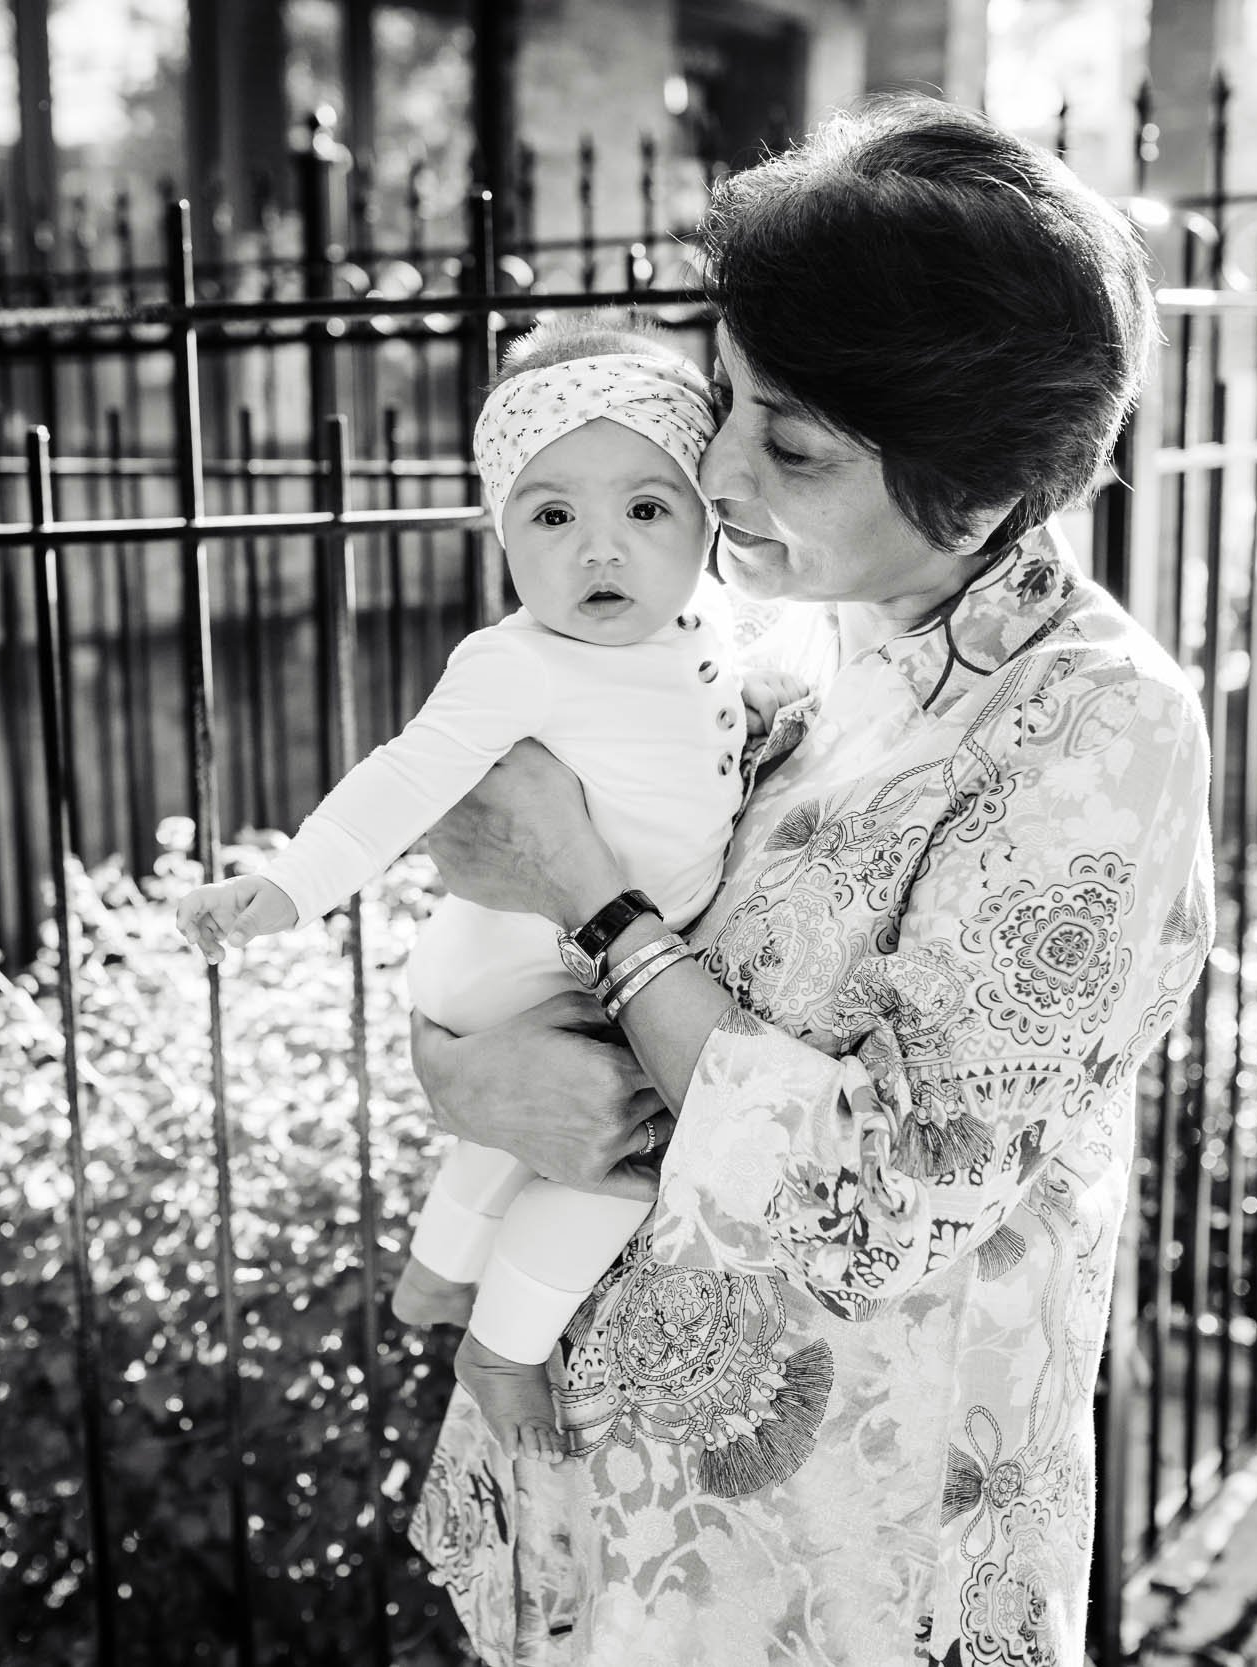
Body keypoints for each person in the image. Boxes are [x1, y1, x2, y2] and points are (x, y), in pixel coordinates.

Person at [401, 98, 1216, 1667]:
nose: (709, 468)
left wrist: (591, 896)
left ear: (978, 490)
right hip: (604, 1484)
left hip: (841, 1560)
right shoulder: (769, 639)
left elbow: (889, 1192)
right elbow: (499, 914)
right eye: (727, 402)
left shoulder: (1097, 727)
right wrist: (459, 1067)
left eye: (791, 442)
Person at [174, 318, 805, 1461]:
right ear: (500, 529)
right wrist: (287, 887)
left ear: (707, 517)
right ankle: (501, 1343)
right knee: (623, 1159)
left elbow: (726, 699)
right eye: (553, 515)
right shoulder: (516, 660)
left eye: (646, 510)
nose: (598, 551)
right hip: (513, 956)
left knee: (515, 1135)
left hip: (571, 947)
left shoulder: (714, 623)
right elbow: (399, 779)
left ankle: (435, 1274)